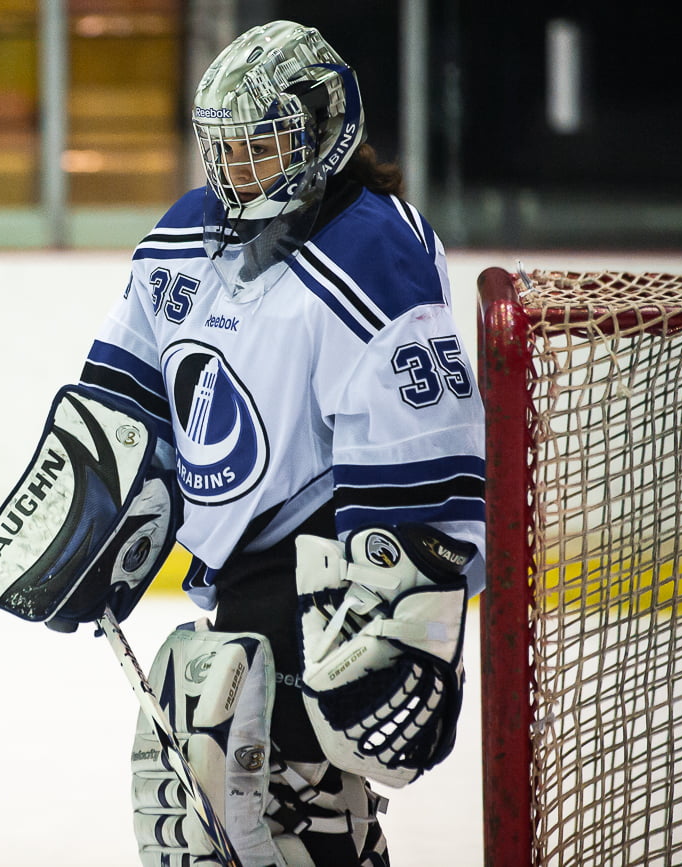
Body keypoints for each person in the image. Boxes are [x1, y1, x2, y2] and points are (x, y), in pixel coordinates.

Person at [70, 20, 487, 867]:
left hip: (323, 584)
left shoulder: (374, 249)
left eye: (261, 146)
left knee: (303, 819)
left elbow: (422, 465)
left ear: (324, 131)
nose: (237, 171)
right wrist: (92, 514)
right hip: (237, 589)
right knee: (214, 827)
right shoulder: (187, 235)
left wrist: (410, 613)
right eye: (225, 149)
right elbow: (129, 400)